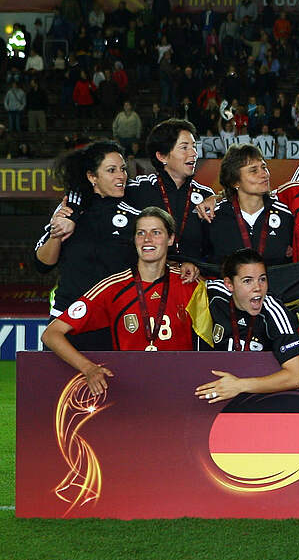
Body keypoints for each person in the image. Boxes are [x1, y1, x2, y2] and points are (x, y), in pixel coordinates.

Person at [42, 208, 206, 394]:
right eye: (141, 233)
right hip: (130, 392)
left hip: (181, 390)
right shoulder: (112, 287)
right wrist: (88, 368)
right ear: (134, 240)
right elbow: (51, 334)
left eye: (156, 233)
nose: (147, 239)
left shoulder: (190, 284)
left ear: (170, 239)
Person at [35, 142, 142, 339]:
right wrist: (57, 232)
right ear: (92, 177)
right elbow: (42, 265)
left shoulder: (136, 214)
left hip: (117, 321)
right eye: (112, 170)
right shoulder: (70, 210)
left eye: (123, 169)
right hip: (67, 322)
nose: (121, 176)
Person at [193, 248, 299, 403]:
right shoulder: (212, 294)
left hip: (260, 399)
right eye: (247, 281)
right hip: (210, 392)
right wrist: (186, 265)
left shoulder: (274, 312)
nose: (257, 287)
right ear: (229, 284)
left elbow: (295, 377)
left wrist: (239, 386)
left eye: (262, 279)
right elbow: (186, 276)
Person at [180, 143, 294, 266]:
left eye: (264, 167)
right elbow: (198, 259)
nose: (264, 174)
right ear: (235, 181)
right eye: (254, 170)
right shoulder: (214, 218)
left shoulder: (285, 215)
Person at [124, 120, 217, 254]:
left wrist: (219, 197)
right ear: (162, 156)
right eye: (184, 148)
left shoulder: (206, 196)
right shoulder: (138, 190)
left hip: (193, 267)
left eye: (194, 147)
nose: (194, 153)